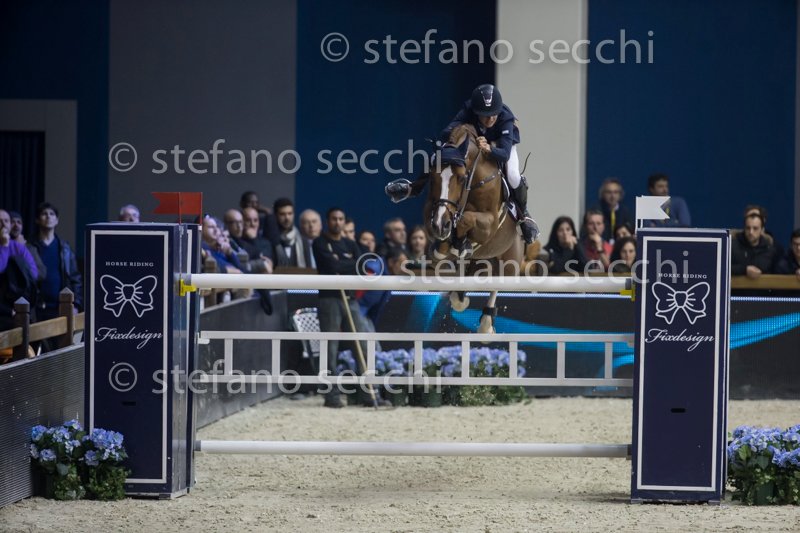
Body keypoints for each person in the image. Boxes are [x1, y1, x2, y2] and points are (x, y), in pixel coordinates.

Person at [385, 84, 539, 244]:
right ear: (476, 112)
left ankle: (524, 215)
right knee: (437, 157)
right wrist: (452, 139)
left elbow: (505, 154)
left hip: (501, 146)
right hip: (476, 143)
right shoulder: (468, 110)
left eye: (494, 114)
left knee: (513, 176)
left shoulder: (505, 118)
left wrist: (489, 149)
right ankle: (413, 188)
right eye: (485, 115)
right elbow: (447, 132)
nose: (490, 119)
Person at [312, 207, 372, 408]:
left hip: (350, 298)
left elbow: (362, 265)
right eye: (334, 219)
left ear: (344, 222)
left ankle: (367, 394)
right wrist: (348, 263)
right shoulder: (320, 243)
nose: (337, 222)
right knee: (330, 349)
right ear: (327, 221)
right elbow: (332, 267)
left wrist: (343, 263)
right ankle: (331, 395)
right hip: (329, 299)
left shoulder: (350, 244)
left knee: (361, 345)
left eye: (340, 219)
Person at [30, 202, 82, 320]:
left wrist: (76, 304)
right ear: (37, 220)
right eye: (44, 214)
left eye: (52, 214)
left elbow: (75, 278)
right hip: (36, 308)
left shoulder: (65, 248)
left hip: (60, 307)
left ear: (57, 220)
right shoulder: (30, 247)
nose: (48, 216)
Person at [0, 209, 39, 330]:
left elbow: (33, 273)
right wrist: (4, 246)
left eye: (6, 221)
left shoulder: (18, 246)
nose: (3, 224)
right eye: (0, 221)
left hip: (17, 306)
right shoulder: (8, 245)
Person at [731, 213, 777, 278]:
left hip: (763, 284)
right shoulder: (733, 245)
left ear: (762, 230)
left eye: (755, 228)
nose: (751, 232)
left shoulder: (769, 249)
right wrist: (744, 270)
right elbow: (724, 268)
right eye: (748, 228)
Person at [272, 198, 313, 268]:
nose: (287, 218)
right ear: (276, 215)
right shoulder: (270, 241)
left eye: (290, 213)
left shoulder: (303, 241)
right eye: (282, 214)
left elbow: (309, 268)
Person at [8, 210, 46, 282]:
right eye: (12, 222)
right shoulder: (2, 246)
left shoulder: (31, 248)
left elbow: (42, 273)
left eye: (19, 222)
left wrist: (21, 248)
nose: (16, 225)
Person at [593, 178, 633, 242]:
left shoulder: (625, 212)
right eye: (609, 192)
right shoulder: (595, 211)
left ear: (620, 194)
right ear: (603, 194)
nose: (612, 196)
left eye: (615, 192)